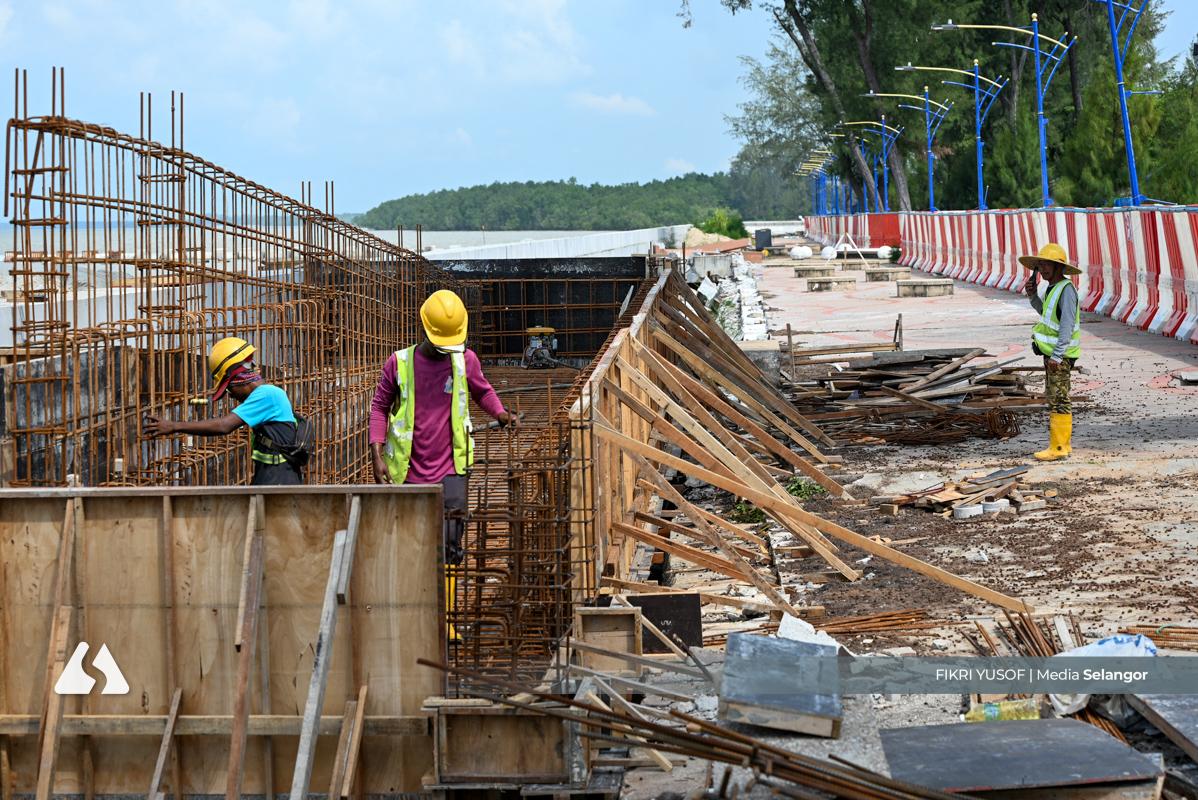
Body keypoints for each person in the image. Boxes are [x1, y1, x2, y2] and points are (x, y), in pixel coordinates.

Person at [369, 289, 515, 641]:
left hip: (452, 469)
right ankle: (411, 617)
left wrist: (501, 413)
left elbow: (482, 391)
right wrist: (376, 455)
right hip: (408, 470)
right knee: (410, 545)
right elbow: (379, 407)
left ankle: (444, 621)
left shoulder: (465, 360)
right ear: (425, 329)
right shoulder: (399, 363)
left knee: (451, 546)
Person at [144, 337, 308, 485]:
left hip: (279, 483)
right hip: (273, 479)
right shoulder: (267, 395)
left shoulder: (267, 395)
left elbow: (224, 425)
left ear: (239, 379)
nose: (231, 396)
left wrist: (174, 426)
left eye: (229, 389)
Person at [1019, 243, 1082, 461]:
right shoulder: (1052, 289)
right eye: (1041, 265)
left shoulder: (1066, 290)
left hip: (1060, 357)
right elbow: (1046, 314)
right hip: (1053, 355)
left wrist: (1057, 355)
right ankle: (1061, 445)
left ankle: (1059, 448)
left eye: (1047, 265)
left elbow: (1066, 325)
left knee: (1059, 398)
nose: (1043, 269)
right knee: (1055, 397)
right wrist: (1033, 296)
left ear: (1058, 267)